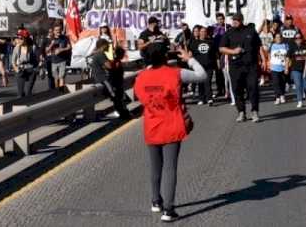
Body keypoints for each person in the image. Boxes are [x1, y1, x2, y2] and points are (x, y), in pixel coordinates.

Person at [133, 42, 206, 222]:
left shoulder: (141, 77)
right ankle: (168, 209)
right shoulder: (175, 73)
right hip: (172, 124)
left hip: (152, 124)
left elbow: (136, 96)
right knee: (170, 167)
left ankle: (156, 201)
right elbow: (202, 75)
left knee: (155, 166)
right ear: (165, 56)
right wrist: (190, 59)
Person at [219, 13, 262, 122]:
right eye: (233, 20)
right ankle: (241, 112)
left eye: (237, 20)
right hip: (235, 66)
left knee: (253, 88)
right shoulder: (228, 33)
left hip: (251, 66)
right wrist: (233, 51)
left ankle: (254, 111)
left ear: (242, 20)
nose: (235, 21)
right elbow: (221, 48)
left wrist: (263, 60)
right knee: (237, 89)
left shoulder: (251, 31)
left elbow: (259, 46)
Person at [88, 38, 132, 120]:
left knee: (117, 97)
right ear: (103, 46)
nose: (108, 47)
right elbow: (109, 66)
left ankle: (123, 112)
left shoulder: (98, 54)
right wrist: (111, 62)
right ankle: (123, 113)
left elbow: (106, 65)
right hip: (103, 79)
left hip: (104, 78)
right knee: (114, 96)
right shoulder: (100, 54)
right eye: (107, 45)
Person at [189, 25, 218, 105]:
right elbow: (191, 54)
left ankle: (209, 98)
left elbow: (215, 54)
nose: (203, 33)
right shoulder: (194, 43)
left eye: (205, 32)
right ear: (199, 33)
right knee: (200, 82)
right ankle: (201, 98)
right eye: (201, 32)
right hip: (199, 66)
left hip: (209, 65)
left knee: (207, 81)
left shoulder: (211, 42)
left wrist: (217, 63)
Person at [285, 27, 306, 108]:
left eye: (300, 38)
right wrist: (286, 68)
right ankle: (299, 100)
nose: (298, 40)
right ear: (294, 39)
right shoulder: (292, 47)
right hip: (295, 69)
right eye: (296, 38)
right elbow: (288, 57)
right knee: (298, 85)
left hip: (305, 69)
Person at [46, 23, 72, 89]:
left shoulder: (65, 38)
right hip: (54, 61)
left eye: (59, 30)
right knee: (56, 78)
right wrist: (52, 44)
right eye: (56, 30)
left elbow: (69, 47)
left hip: (62, 60)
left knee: (61, 77)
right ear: (54, 31)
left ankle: (61, 91)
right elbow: (46, 51)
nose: (58, 31)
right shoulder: (50, 39)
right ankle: (57, 90)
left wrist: (61, 49)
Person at [268, 29, 289, 105]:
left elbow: (287, 57)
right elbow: (269, 55)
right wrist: (269, 64)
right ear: (274, 39)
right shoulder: (272, 45)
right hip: (274, 67)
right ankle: (277, 97)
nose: (278, 38)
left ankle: (282, 95)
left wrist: (286, 67)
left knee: (282, 82)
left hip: (283, 67)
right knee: (276, 83)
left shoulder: (285, 45)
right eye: (277, 37)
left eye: (280, 37)